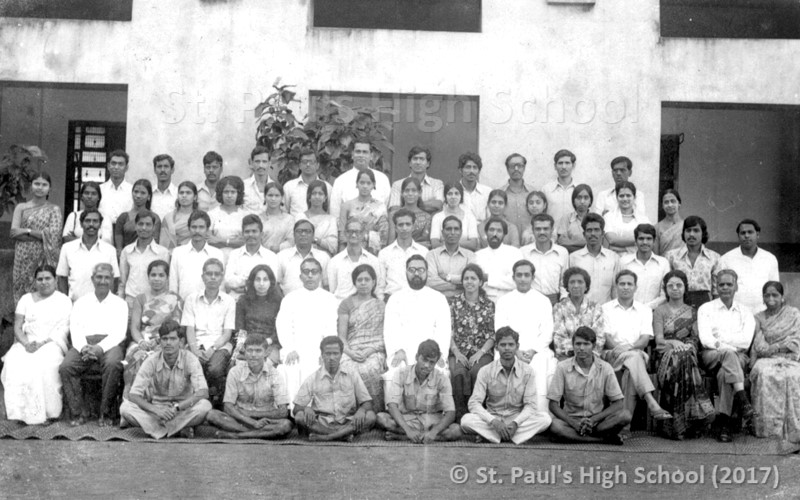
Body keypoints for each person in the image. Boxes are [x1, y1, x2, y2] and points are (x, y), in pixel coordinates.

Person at [601, 270, 672, 433]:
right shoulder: (605, 308)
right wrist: (622, 349)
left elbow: (645, 339)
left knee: (631, 365)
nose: (625, 287)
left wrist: (630, 349)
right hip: (611, 354)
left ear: (635, 287)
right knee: (633, 360)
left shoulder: (644, 310)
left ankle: (623, 427)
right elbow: (606, 337)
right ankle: (650, 403)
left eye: (629, 284)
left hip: (636, 353)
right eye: (622, 284)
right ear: (616, 286)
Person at [1, 265, 72, 425]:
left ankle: (47, 412)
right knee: (14, 362)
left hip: (51, 342)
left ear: (55, 280)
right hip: (27, 342)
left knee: (44, 364)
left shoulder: (63, 300)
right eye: (40, 279)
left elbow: (63, 328)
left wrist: (43, 343)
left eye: (48, 278)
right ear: (34, 281)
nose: (44, 282)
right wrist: (26, 344)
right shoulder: (26, 299)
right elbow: (18, 327)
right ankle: (19, 413)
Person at [59, 263, 127, 426]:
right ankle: (78, 413)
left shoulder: (120, 303)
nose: (103, 281)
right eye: (99, 277)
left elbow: (119, 332)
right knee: (66, 367)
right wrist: (84, 347)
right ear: (92, 279)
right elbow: (75, 328)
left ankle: (105, 413)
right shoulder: (81, 302)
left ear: (112, 280)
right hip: (84, 343)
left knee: (113, 364)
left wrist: (99, 348)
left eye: (107, 277)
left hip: (110, 344)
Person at [120, 320, 212, 439]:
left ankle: (157, 430)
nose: (168, 343)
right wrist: (156, 410)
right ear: (160, 341)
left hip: (182, 410)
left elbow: (203, 392)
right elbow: (133, 395)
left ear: (181, 341)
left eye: (173, 339)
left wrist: (178, 407)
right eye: (165, 339)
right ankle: (177, 429)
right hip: (157, 412)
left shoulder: (190, 359)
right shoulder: (151, 360)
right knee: (125, 408)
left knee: (205, 405)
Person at [460, 327, 553, 444]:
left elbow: (531, 405)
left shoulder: (528, 371)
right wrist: (494, 422)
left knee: (545, 419)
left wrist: (515, 423)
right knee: (466, 420)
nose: (507, 348)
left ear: (517, 347)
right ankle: (511, 436)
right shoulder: (486, 371)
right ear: (497, 347)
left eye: (511, 344)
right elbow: (474, 403)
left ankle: (492, 437)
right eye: (503, 345)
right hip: (493, 419)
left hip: (516, 420)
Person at [652, 270, 715, 440]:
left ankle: (676, 424)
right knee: (680, 359)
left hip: (688, 353)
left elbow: (695, 339)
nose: (675, 289)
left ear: (685, 288)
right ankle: (691, 422)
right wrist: (674, 343)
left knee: (684, 357)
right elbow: (659, 340)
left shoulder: (693, 312)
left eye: (679, 285)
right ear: (666, 289)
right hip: (664, 355)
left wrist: (686, 347)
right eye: (670, 286)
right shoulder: (660, 311)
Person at [697, 269, 756, 442]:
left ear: (736, 286)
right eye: (721, 284)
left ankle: (724, 423)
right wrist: (728, 346)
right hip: (711, 355)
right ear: (716, 286)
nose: (725, 288)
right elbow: (706, 339)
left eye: (729, 284)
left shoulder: (745, 311)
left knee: (725, 374)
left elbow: (745, 342)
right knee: (729, 355)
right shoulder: (706, 308)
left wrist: (721, 340)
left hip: (738, 357)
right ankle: (742, 399)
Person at [547, 326, 631, 445]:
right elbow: (553, 405)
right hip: (572, 421)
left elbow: (618, 403)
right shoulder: (563, 367)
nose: (581, 348)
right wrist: (573, 423)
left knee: (625, 415)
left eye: (586, 344)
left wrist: (593, 420)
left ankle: (577, 438)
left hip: (598, 422)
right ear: (573, 345)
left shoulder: (605, 368)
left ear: (594, 345)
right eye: (578, 344)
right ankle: (601, 440)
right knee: (555, 426)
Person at [495, 259, 556, 414]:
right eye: (519, 275)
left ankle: (540, 415)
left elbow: (547, 331)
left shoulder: (543, 300)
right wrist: (516, 351)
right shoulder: (503, 301)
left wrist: (533, 351)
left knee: (541, 365)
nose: (523, 278)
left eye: (526, 275)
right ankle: (508, 414)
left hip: (537, 350)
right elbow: (500, 330)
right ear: (513, 277)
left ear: (532, 277)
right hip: (509, 348)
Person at [205, 333, 293, 439]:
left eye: (258, 351)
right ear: (244, 352)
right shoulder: (235, 372)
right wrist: (252, 422)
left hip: (266, 420)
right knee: (212, 415)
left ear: (266, 352)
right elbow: (228, 407)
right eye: (249, 350)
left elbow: (283, 411)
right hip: (241, 419)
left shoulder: (275, 374)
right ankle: (260, 434)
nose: (253, 355)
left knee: (285, 425)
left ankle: (238, 435)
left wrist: (253, 415)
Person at [276, 257, 339, 403]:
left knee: (317, 367)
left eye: (314, 271)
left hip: (319, 349)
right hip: (295, 348)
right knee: (291, 368)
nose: (310, 275)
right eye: (306, 272)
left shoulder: (329, 299)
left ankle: (317, 411)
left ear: (320, 275)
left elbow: (330, 329)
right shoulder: (290, 298)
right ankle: (295, 412)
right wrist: (290, 348)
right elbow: (284, 326)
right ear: (300, 276)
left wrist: (325, 352)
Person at [292, 336, 376, 441]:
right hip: (322, 425)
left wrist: (362, 410)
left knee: (370, 415)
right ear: (322, 355)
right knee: (300, 417)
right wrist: (306, 408)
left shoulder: (352, 374)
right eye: (328, 353)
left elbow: (367, 402)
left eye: (335, 353)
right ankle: (342, 436)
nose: (331, 358)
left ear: (341, 355)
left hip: (348, 423)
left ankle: (328, 437)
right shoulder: (312, 378)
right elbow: (296, 409)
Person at [377, 340, 462, 442]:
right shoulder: (401, 373)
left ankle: (402, 437)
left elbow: (450, 412)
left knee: (456, 430)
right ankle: (418, 436)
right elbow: (391, 405)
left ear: (436, 363)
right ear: (417, 357)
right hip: (408, 420)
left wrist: (434, 431)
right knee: (381, 418)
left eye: (431, 362)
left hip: (432, 422)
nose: (427, 365)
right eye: (424, 360)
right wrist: (408, 430)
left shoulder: (442, 378)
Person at [383, 255, 452, 379]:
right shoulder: (395, 298)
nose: (416, 274)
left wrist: (437, 354)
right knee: (394, 375)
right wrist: (398, 350)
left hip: (432, 353)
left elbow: (444, 330)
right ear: (406, 272)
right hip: (403, 352)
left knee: (440, 374)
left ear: (427, 272)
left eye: (421, 270)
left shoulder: (438, 298)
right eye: (412, 270)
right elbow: (390, 330)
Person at [123, 260, 183, 400]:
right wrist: (141, 342)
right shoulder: (140, 298)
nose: (157, 279)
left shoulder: (175, 299)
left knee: (161, 356)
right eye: (153, 275)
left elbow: (177, 327)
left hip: (167, 340)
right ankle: (132, 404)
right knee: (134, 356)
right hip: (143, 340)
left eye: (161, 275)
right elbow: (135, 328)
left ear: (167, 278)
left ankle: (157, 404)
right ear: (148, 277)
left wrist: (160, 341)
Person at [750, 281, 800, 442]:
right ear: (763, 298)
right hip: (766, 359)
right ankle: (768, 429)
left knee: (793, 376)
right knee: (764, 374)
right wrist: (773, 349)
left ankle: (793, 430)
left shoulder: (793, 314)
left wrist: (777, 347)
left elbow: (796, 339)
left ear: (782, 297)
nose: (771, 298)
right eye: (767, 295)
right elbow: (759, 344)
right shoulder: (758, 317)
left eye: (775, 295)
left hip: (789, 357)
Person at [181, 258, 236, 405]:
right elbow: (189, 328)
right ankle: (196, 403)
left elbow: (227, 333)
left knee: (215, 369)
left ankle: (216, 404)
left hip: (220, 345)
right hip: (196, 344)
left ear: (222, 277)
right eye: (209, 273)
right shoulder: (191, 299)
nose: (213, 277)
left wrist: (212, 349)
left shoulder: (229, 301)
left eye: (217, 274)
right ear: (202, 277)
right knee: (193, 365)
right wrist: (194, 350)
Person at [448, 263, 495, 419]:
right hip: (458, 351)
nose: (469, 282)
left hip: (482, 352)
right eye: (466, 278)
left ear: (480, 282)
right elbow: (448, 331)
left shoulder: (488, 305)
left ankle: (479, 416)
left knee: (478, 372)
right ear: (462, 282)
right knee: (458, 373)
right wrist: (456, 353)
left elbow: (492, 334)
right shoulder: (453, 303)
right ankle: (460, 416)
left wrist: (480, 353)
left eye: (473, 278)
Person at [338, 264, 387, 411]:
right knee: (346, 367)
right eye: (360, 280)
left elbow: (385, 336)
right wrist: (350, 352)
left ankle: (373, 411)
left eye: (367, 279)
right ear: (354, 283)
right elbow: (341, 338)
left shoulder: (381, 305)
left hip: (374, 349)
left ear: (374, 282)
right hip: (350, 349)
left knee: (370, 368)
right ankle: (349, 411)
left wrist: (370, 350)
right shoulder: (345, 304)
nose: (363, 283)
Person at [11, 172, 62, 304]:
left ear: (50, 188)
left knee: (43, 289)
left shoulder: (54, 210)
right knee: (21, 290)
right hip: (22, 256)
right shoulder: (21, 207)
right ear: (31, 186)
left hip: (43, 257)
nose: (40, 187)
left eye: (44, 184)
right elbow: (13, 233)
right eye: (37, 184)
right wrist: (40, 234)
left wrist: (26, 231)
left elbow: (54, 236)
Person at [56, 209, 120, 301]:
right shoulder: (67, 248)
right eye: (87, 221)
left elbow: (115, 280)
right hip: (74, 304)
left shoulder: (110, 250)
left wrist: (108, 303)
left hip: (101, 305)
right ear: (81, 224)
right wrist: (66, 302)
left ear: (100, 224)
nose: (91, 224)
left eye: (95, 221)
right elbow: (62, 277)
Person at [719, 219, 779, 313]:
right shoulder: (726, 259)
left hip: (763, 312)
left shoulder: (770, 258)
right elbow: (722, 291)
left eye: (750, 232)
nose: (746, 235)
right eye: (743, 233)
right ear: (738, 236)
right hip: (735, 313)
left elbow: (775, 289)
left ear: (757, 235)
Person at [117, 210, 170, 311]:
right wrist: (120, 302)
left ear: (154, 227)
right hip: (130, 303)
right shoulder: (127, 251)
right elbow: (122, 281)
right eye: (140, 224)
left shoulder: (163, 252)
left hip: (155, 304)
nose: (144, 228)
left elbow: (166, 282)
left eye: (148, 224)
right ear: (135, 226)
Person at [665, 215, 720, 310]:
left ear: (703, 233)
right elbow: (666, 285)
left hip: (705, 305)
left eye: (696, 230)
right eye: (688, 230)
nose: (691, 234)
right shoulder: (671, 256)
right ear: (683, 233)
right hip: (677, 303)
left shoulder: (714, 257)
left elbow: (716, 290)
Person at [233, 265, 283, 367]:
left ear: (271, 282)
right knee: (239, 367)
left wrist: (268, 341)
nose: (261, 283)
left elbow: (281, 329)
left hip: (270, 344)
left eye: (265, 280)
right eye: (258, 279)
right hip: (248, 343)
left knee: (262, 366)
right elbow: (240, 327)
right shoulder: (243, 301)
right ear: (252, 282)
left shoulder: (279, 302)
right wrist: (242, 345)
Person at [552, 267, 605, 361]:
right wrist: (581, 349)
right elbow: (558, 338)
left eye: (580, 282)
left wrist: (584, 353)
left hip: (591, 358)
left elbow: (599, 338)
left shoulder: (595, 308)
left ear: (586, 286)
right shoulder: (559, 308)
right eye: (572, 282)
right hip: (566, 357)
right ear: (567, 286)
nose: (576, 285)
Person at [169, 210, 224, 300]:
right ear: (189, 228)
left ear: (207, 229)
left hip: (210, 306)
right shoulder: (178, 253)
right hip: (184, 305)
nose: (197, 231)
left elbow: (221, 285)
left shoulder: (217, 254)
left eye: (201, 227)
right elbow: (173, 285)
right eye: (194, 227)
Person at [330, 139, 391, 219]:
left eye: (365, 152)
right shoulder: (341, 181)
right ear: (352, 154)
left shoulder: (382, 179)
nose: (361, 155)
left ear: (371, 156)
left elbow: (387, 209)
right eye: (358, 152)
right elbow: (334, 213)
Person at [223, 214, 279, 301]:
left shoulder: (271, 256)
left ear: (261, 234)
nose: (250, 235)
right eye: (247, 231)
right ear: (242, 234)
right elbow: (228, 280)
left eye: (254, 231)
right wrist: (254, 281)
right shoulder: (234, 254)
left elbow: (272, 282)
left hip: (261, 303)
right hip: (237, 301)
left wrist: (246, 287)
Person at [569, 213, 620, 305]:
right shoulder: (573, 258)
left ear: (603, 233)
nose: (593, 234)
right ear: (584, 234)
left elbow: (615, 288)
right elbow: (567, 287)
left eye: (596, 230)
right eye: (589, 230)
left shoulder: (613, 258)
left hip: (606, 311)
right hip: (581, 313)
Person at [329, 219, 384, 301]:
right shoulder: (334, 262)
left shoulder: (373, 261)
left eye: (357, 232)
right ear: (345, 233)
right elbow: (332, 291)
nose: (353, 235)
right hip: (342, 308)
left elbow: (378, 290)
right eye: (350, 231)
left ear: (363, 233)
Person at [520, 213, 569, 305]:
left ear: (552, 230)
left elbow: (564, 281)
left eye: (546, 229)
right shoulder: (523, 252)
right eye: (538, 229)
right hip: (530, 301)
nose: (542, 232)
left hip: (555, 302)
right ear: (533, 230)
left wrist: (563, 301)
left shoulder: (562, 252)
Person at [338, 169, 389, 255]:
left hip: (373, 252)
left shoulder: (380, 207)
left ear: (374, 185)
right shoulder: (346, 206)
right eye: (362, 183)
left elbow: (384, 235)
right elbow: (342, 235)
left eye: (368, 183)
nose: (365, 186)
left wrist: (365, 236)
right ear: (356, 184)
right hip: (350, 250)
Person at [379, 208, 428, 297]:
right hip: (392, 299)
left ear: (413, 226)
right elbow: (380, 285)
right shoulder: (384, 253)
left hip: (417, 298)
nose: (404, 228)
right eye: (400, 225)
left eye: (408, 224)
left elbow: (427, 280)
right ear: (395, 227)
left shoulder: (423, 251)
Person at [620, 223, 670, 308]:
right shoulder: (624, 261)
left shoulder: (663, 263)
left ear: (654, 241)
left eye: (649, 239)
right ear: (635, 241)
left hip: (654, 312)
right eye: (641, 239)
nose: (645, 242)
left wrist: (645, 308)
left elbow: (665, 293)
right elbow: (617, 289)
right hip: (627, 312)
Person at [426, 216, 476, 298]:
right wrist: (456, 286)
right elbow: (431, 281)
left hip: (463, 302)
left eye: (456, 229)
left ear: (461, 232)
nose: (452, 232)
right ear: (442, 232)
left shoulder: (470, 256)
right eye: (448, 229)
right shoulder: (432, 255)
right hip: (437, 301)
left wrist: (448, 278)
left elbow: (472, 279)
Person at [276, 219, 331, 294]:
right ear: (294, 235)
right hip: (289, 303)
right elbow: (276, 285)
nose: (303, 234)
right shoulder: (282, 256)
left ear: (313, 235)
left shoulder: (323, 257)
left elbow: (327, 285)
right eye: (299, 231)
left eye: (308, 231)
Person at [474, 217, 522, 302]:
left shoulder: (514, 253)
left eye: (499, 231)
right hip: (483, 302)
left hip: (509, 301)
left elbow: (516, 281)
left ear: (504, 234)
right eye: (491, 230)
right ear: (486, 232)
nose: (495, 234)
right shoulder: (477, 255)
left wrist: (488, 278)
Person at [388, 146, 444, 214]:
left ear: (428, 163)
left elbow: (438, 205)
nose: (418, 162)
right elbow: (394, 209)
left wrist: (407, 205)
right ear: (409, 163)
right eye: (415, 159)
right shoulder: (397, 184)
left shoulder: (437, 184)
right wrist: (426, 204)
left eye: (422, 159)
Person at [114, 179, 160, 257]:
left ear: (149, 196)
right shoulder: (123, 217)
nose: (138, 196)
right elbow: (119, 248)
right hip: (127, 256)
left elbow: (155, 242)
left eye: (143, 193)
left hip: (149, 256)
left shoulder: (155, 218)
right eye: (136, 192)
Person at [207, 175, 246, 264]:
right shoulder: (211, 214)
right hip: (215, 257)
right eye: (226, 192)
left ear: (239, 194)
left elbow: (243, 241)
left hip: (239, 258)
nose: (229, 196)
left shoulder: (244, 216)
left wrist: (220, 240)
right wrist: (234, 242)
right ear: (220, 193)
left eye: (233, 192)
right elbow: (209, 240)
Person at [604, 181, 650, 255]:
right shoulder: (608, 217)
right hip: (614, 260)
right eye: (621, 196)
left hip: (637, 261)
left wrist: (622, 248)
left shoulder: (644, 219)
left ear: (634, 197)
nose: (625, 199)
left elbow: (647, 241)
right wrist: (636, 243)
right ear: (616, 197)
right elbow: (612, 240)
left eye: (628, 195)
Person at [429, 183, 479, 251]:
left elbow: (473, 244)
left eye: (456, 193)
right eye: (449, 194)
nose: (453, 196)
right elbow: (434, 244)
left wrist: (449, 243)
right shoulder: (437, 217)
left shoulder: (470, 217)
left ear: (461, 196)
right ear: (445, 196)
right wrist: (462, 243)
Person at [283, 148, 332, 216]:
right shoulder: (289, 187)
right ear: (299, 165)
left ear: (317, 165)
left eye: (311, 162)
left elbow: (330, 212)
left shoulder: (327, 187)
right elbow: (284, 213)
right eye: (304, 162)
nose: (308, 164)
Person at [62, 181, 113, 245]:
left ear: (99, 197)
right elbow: (66, 239)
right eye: (86, 193)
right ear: (81, 196)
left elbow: (106, 242)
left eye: (94, 194)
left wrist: (76, 238)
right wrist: (93, 240)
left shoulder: (105, 218)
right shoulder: (73, 216)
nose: (89, 196)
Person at [387, 177, 432, 248]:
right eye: (407, 191)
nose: (410, 194)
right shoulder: (393, 214)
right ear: (402, 193)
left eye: (414, 191)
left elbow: (427, 244)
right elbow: (391, 243)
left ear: (420, 193)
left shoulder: (427, 217)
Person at [298, 180, 338, 255]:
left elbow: (333, 246)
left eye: (320, 194)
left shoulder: (331, 220)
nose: (317, 196)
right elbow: (296, 240)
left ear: (325, 198)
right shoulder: (300, 217)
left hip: (324, 258)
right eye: (314, 193)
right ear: (309, 197)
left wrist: (316, 240)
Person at [500, 153, 534, 236]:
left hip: (529, 241)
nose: (516, 169)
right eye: (512, 166)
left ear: (524, 168)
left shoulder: (533, 192)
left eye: (519, 165)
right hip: (507, 241)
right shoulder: (500, 193)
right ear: (507, 169)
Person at [159, 181, 198, 251]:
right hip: (173, 255)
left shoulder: (201, 217)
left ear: (195, 197)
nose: (184, 195)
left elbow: (207, 239)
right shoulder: (168, 218)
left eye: (188, 193)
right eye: (181, 193)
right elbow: (163, 245)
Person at [542, 149, 578, 225]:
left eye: (567, 163)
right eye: (560, 163)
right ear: (555, 166)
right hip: (552, 234)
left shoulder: (579, 189)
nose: (564, 167)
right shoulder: (546, 189)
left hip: (574, 234)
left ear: (573, 165)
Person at [555, 183, 592, 253]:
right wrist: (586, 243)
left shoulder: (595, 218)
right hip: (570, 255)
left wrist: (571, 242)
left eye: (586, 198)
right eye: (579, 197)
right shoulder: (566, 218)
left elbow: (597, 242)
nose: (582, 201)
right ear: (573, 200)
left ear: (590, 201)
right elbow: (562, 241)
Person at [98, 149, 132, 225]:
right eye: (113, 163)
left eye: (120, 164)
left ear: (126, 168)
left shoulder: (132, 190)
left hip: (125, 233)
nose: (116, 167)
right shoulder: (100, 189)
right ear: (108, 166)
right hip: (103, 232)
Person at [260, 182, 295, 253]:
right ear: (264, 196)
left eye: (277, 195)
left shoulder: (289, 219)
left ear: (282, 197)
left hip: (284, 255)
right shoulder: (258, 219)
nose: (273, 199)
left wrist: (279, 248)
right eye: (270, 195)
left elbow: (291, 240)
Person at [457, 152, 491, 224]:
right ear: (460, 170)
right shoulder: (453, 191)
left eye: (475, 167)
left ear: (479, 171)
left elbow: (490, 219)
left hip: (481, 232)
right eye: (468, 167)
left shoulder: (487, 192)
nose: (471, 171)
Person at [243, 146, 276, 215]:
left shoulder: (275, 187)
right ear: (251, 163)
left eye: (264, 162)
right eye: (257, 161)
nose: (261, 165)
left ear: (269, 163)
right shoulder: (243, 186)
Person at [150, 154, 178, 220]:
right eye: (159, 167)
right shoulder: (149, 194)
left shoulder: (178, 194)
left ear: (172, 170)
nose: (162, 170)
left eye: (166, 166)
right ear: (154, 170)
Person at [656, 189, 683, 256]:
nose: (670, 205)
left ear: (679, 204)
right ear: (662, 206)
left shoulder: (686, 226)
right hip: (664, 265)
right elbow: (656, 255)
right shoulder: (657, 228)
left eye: (673, 201)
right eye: (666, 202)